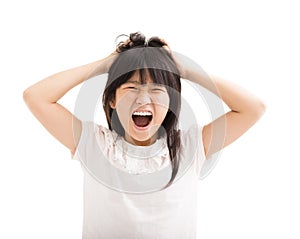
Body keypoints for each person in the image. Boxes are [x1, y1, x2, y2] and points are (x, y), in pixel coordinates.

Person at [23, 32, 265, 238]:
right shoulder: (93, 143)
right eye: (131, 87)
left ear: (171, 102)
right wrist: (107, 65)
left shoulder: (190, 146)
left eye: (157, 89)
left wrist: (183, 69)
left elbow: (253, 108)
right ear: (112, 99)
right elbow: (36, 96)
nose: (143, 98)